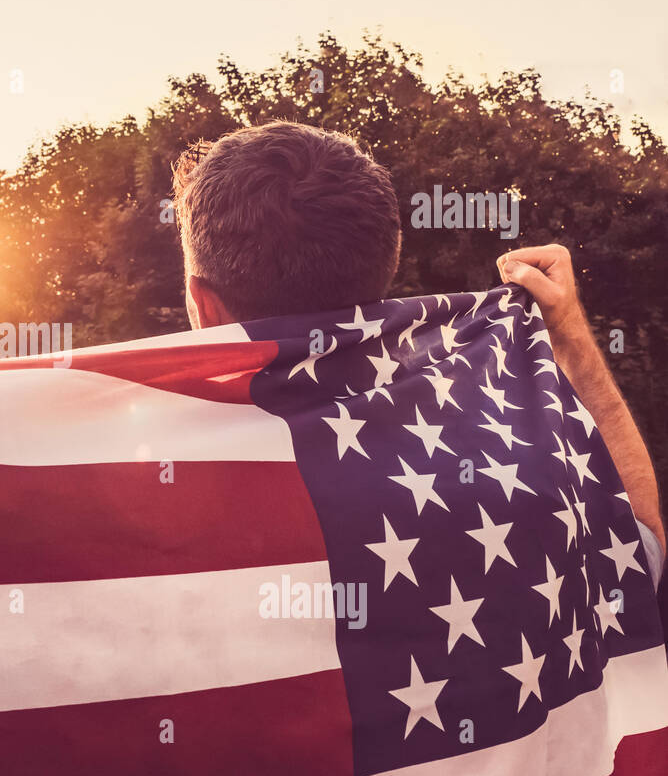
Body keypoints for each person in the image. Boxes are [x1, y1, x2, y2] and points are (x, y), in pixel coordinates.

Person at [172, 119, 665, 580]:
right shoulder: (510, 485)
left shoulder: (144, 503)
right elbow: (642, 550)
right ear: (385, 269)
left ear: (203, 305)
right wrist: (568, 335)